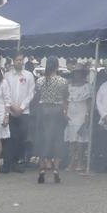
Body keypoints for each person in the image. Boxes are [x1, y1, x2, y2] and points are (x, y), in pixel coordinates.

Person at [34, 56, 69, 184]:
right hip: (57, 112)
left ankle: (42, 169)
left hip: (43, 111)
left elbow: (37, 96)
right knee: (57, 139)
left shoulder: (40, 81)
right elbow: (65, 98)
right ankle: (56, 170)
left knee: (43, 139)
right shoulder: (63, 81)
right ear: (57, 66)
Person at [3, 52, 36, 173]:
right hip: (10, 110)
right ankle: (8, 162)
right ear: (13, 61)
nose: (19, 62)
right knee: (10, 137)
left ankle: (18, 162)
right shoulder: (7, 75)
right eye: (17, 60)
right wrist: (12, 106)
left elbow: (31, 93)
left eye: (21, 60)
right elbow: (5, 92)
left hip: (24, 112)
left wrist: (21, 107)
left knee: (21, 138)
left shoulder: (29, 75)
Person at [64, 64, 90, 172]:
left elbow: (89, 101)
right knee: (71, 139)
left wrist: (88, 114)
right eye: (76, 72)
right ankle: (72, 161)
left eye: (80, 72)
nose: (77, 74)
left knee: (80, 138)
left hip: (82, 111)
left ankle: (80, 162)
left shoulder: (87, 86)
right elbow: (64, 100)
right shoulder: (69, 86)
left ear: (83, 73)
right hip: (71, 112)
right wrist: (65, 112)